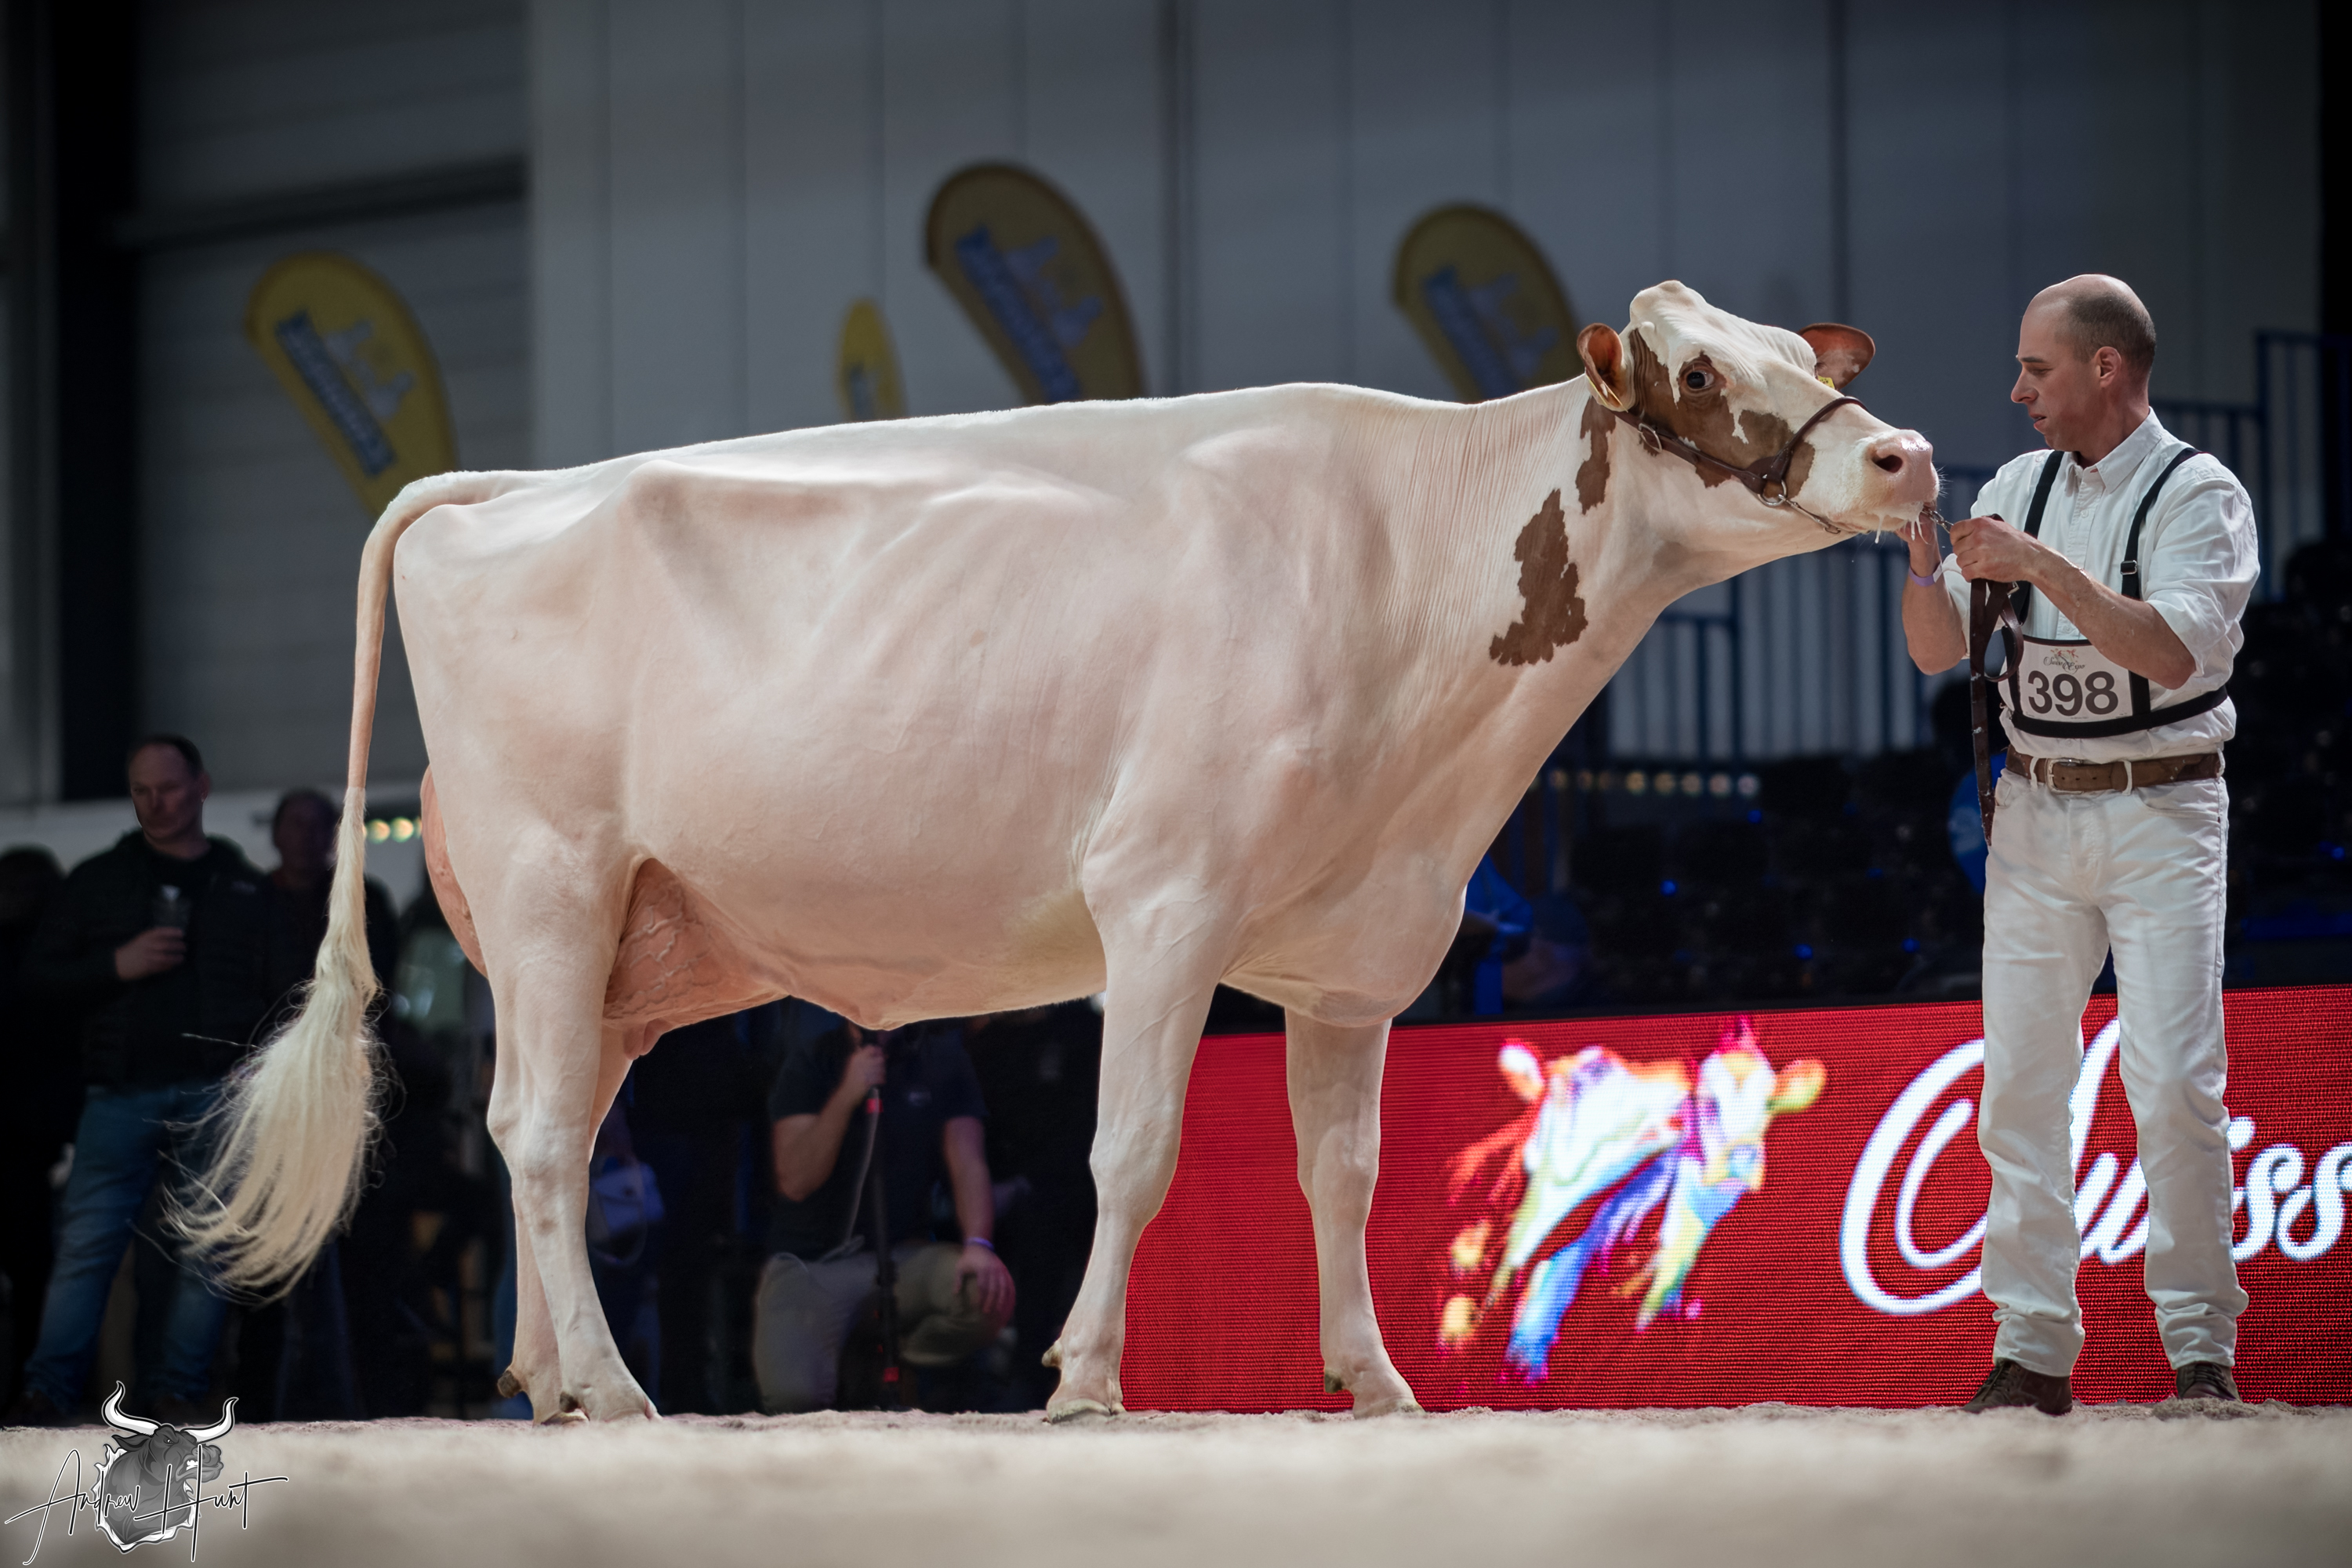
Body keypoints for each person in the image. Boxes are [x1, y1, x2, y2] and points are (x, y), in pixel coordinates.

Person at [1901, 276, 2257, 1414]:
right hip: (2036, 810)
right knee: (2018, 1087)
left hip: (2164, 809)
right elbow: (1932, 651)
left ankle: (2200, 1348)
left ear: (2106, 368)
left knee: (2174, 1083)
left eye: (2035, 368)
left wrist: (2040, 567)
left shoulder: (2201, 493)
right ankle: (2032, 1348)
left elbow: (2170, 654)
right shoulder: (2019, 486)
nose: (2017, 391)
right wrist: (1922, 553)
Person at [2, 736, 298, 1425]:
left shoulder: (243, 885)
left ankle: (176, 1390)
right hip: (120, 1088)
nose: (155, 803)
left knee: (207, 1251)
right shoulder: (100, 880)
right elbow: (38, 980)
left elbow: (283, 989)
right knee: (88, 1246)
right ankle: (49, 1388)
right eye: (142, 791)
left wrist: (255, 1060)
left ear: (201, 787)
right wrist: (116, 964)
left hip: (216, 1091)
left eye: (167, 788)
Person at [752, 1019, 1013, 1413]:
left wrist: (978, 1243)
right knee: (795, 1400)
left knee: (984, 1292)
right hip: (813, 1265)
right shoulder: (813, 1060)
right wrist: (847, 1095)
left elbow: (968, 1163)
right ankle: (851, 1355)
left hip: (900, 1259)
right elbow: (796, 1181)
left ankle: (898, 1357)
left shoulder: (939, 1059)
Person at [0, 847, 75, 1406]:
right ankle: (32, 1390)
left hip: (27, 1135)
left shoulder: (46, 957)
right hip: (31, 1135)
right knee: (33, 1272)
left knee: (33, 1272)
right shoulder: (54, 957)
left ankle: (31, 1389)